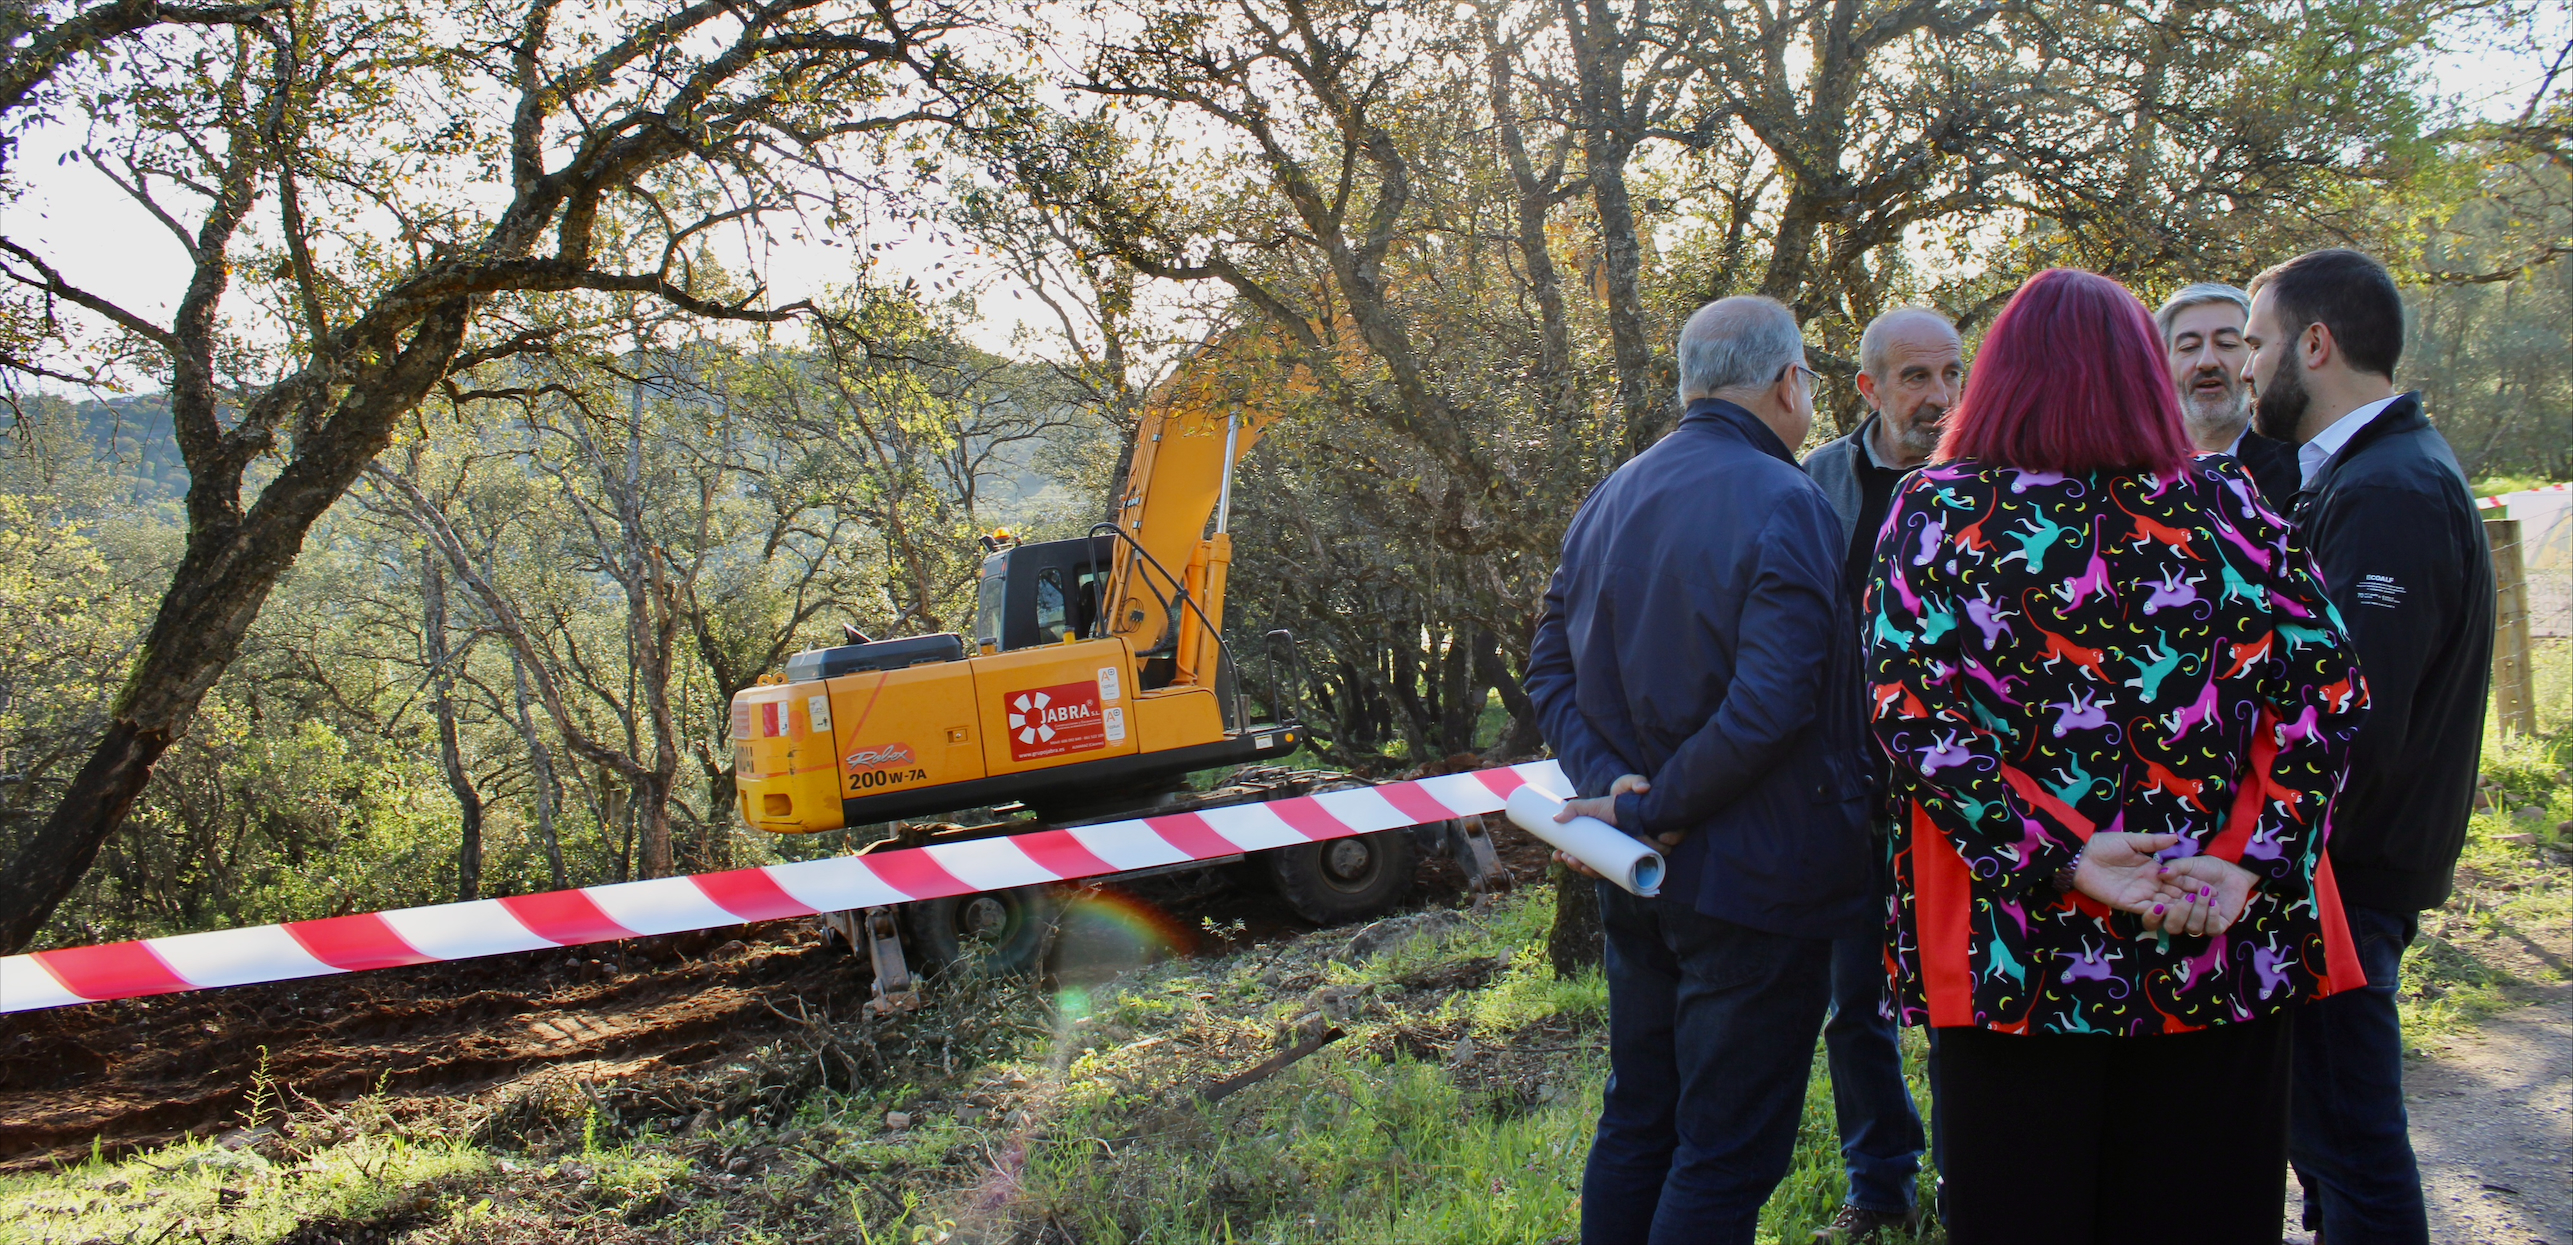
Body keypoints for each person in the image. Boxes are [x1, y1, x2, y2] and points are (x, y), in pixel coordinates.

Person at [1868, 268, 2370, 1244]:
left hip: (2015, 959)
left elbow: (1910, 714)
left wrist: (2058, 854)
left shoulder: (1936, 514)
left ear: (2001, 378)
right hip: (2213, 943)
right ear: (2144, 375)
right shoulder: (2227, 509)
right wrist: (2249, 860)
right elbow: (2328, 694)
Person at [1526, 296, 1877, 1245]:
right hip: (1754, 880)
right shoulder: (1790, 496)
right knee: (1723, 1150)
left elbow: (1546, 665)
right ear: (1787, 384)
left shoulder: (1609, 492)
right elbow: (1777, 697)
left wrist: (1619, 800)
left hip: (1634, 871)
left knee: (1639, 1115)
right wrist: (1652, 805)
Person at [2243, 248, 2494, 1245]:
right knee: (2334, 1148)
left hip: (2344, 877)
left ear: (2315, 343)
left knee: (2350, 1145)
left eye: (2257, 343)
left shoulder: (2385, 490)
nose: (2247, 367)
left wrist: (2262, 857)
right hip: (2343, 871)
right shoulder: (2366, 470)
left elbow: (2352, 717)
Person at [1800, 307, 1959, 1242]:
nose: (1937, 397)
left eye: (1949, 374)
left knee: (1956, 1002)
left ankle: (1964, 1176)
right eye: (1914, 378)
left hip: (1950, 802)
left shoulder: (1989, 481)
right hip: (1846, 795)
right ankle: (1879, 1184)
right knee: (1850, 1004)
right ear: (1868, 389)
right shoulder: (1816, 482)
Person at [2154, 283, 2301, 511]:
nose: (2207, 362)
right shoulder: (2139, 466)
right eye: (2189, 347)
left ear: (2255, 356)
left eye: (2226, 344)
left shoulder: (2298, 466)